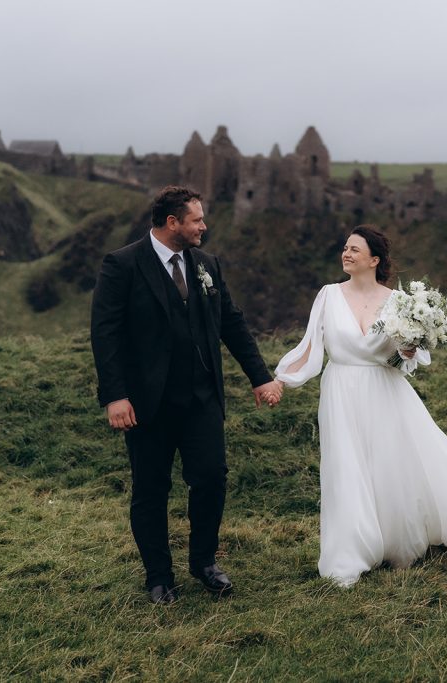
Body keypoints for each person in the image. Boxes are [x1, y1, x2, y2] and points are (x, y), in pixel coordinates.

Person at [273, 225, 447, 586]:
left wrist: (407, 351)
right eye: (345, 248)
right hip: (340, 391)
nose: (346, 254)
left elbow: (401, 362)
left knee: (392, 465)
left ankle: (399, 541)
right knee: (346, 467)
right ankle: (350, 552)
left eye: (355, 250)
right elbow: (310, 347)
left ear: (374, 260)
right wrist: (282, 379)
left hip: (385, 390)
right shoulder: (328, 295)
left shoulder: (398, 302)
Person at [90, 185, 282, 603]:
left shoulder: (207, 264)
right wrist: (115, 396)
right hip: (147, 402)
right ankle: (159, 576)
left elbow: (231, 322)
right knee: (151, 489)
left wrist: (260, 377)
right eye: (196, 220)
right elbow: (105, 335)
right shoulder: (123, 264)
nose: (204, 226)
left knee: (212, 478)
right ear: (172, 222)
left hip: (201, 397)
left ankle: (204, 563)